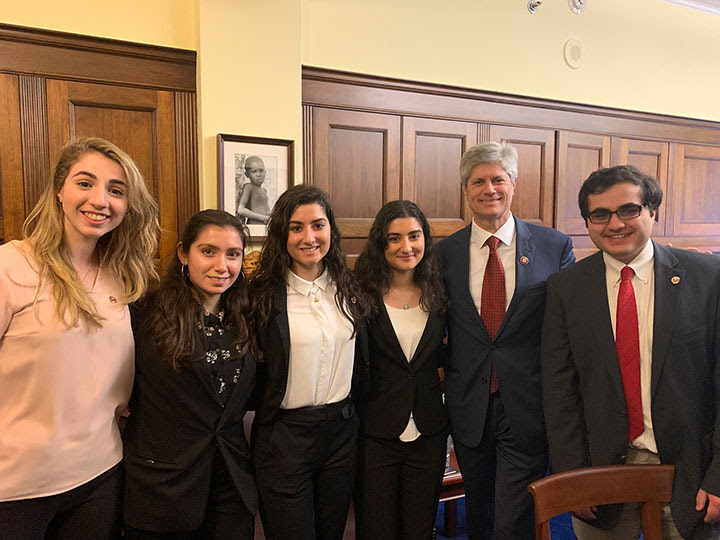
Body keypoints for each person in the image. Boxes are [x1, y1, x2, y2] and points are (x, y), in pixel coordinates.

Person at [541, 165, 720, 540]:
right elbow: (560, 391)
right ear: (588, 222)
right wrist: (572, 475)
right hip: (600, 473)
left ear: (653, 212)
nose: (615, 224)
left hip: (693, 474)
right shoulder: (565, 288)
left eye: (628, 210)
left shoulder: (708, 276)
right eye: (600, 214)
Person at [0, 137, 159, 539]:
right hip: (16, 485)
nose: (100, 200)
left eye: (116, 190)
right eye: (85, 183)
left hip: (100, 474)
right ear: (59, 189)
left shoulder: (124, 278)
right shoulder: (11, 265)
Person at [435, 141, 575, 540]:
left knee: (514, 518)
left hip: (527, 405)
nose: (489, 189)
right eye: (478, 181)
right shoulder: (444, 254)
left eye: (498, 179)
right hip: (469, 407)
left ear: (514, 183)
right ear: (466, 190)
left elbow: (564, 331)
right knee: (478, 511)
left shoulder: (554, 246)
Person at [123, 210, 258, 539]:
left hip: (230, 482)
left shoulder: (247, 316)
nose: (221, 266)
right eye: (208, 251)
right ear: (184, 253)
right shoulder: (143, 313)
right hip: (163, 485)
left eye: (233, 254)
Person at [249, 184, 371, 540]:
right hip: (284, 436)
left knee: (332, 532)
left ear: (330, 229)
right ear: (281, 234)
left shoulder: (351, 288)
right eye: (296, 227)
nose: (309, 237)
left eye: (318, 225)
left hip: (341, 432)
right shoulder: (261, 295)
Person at [352, 200, 449, 540]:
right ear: (381, 243)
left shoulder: (440, 289)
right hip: (375, 431)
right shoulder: (358, 291)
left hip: (429, 432)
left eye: (414, 236)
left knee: (420, 528)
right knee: (376, 528)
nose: (406, 247)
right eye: (394, 238)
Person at [236, 155, 270, 224]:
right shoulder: (248, 187)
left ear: (265, 172)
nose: (258, 174)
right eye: (254, 171)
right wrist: (264, 218)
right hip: (254, 225)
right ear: (247, 174)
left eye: (261, 170)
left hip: (264, 226)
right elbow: (241, 210)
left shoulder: (264, 190)